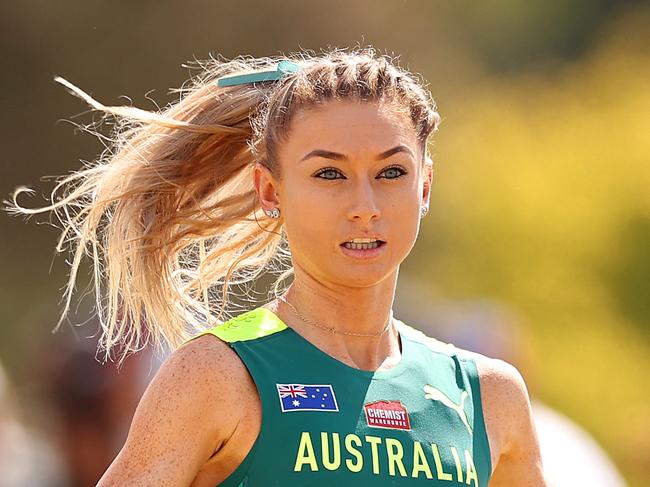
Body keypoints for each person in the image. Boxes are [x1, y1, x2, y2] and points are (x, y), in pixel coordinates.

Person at [4, 48, 550, 486]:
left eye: (391, 172)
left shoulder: (489, 399)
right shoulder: (217, 376)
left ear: (425, 185)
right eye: (329, 175)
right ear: (271, 190)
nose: (365, 205)